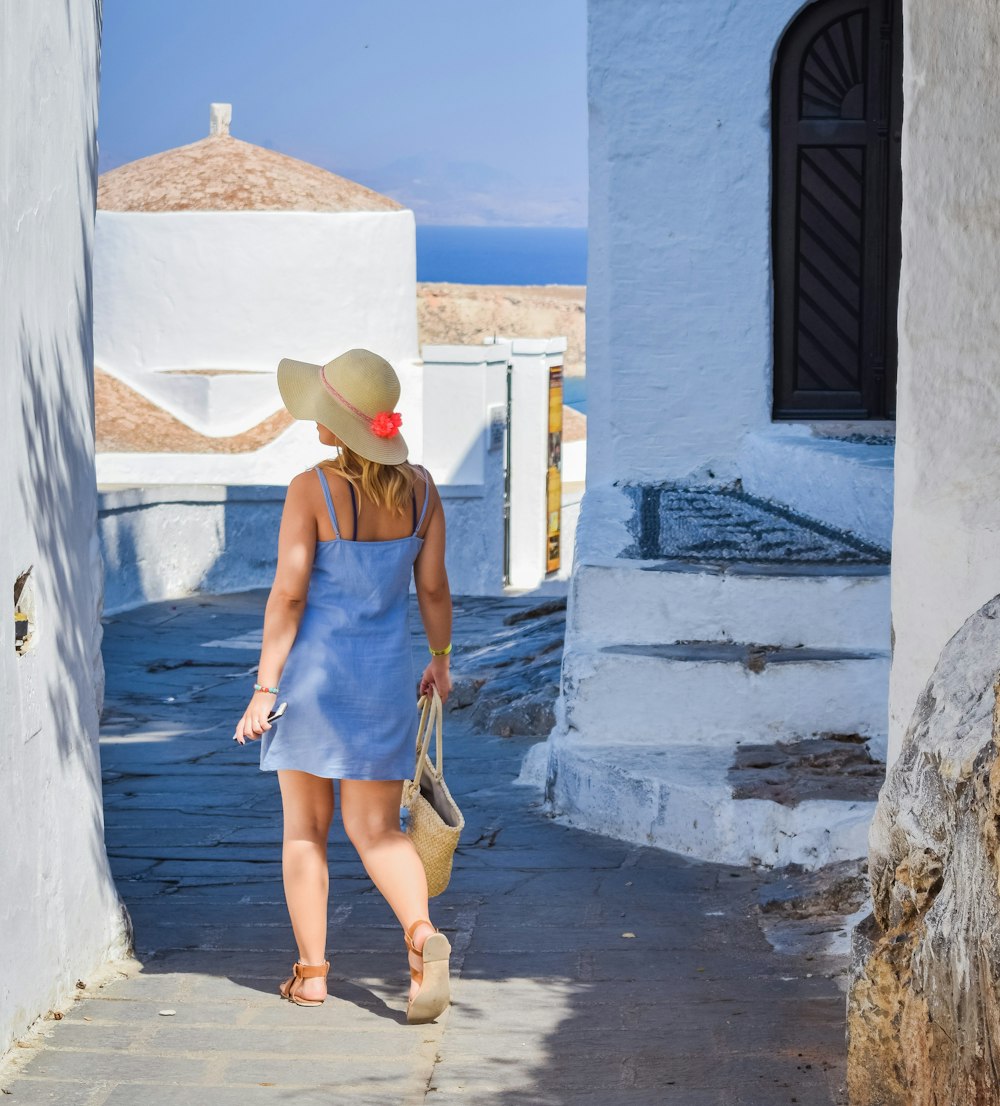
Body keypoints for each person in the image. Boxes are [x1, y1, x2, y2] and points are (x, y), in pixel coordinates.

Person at [232, 348, 453, 1024]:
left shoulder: (312, 489)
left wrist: (265, 689)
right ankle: (421, 939)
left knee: (305, 829)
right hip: (384, 683)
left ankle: (312, 976)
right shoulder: (421, 490)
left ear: (338, 425)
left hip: (312, 686)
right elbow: (434, 587)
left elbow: (289, 598)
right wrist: (441, 659)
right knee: (379, 830)